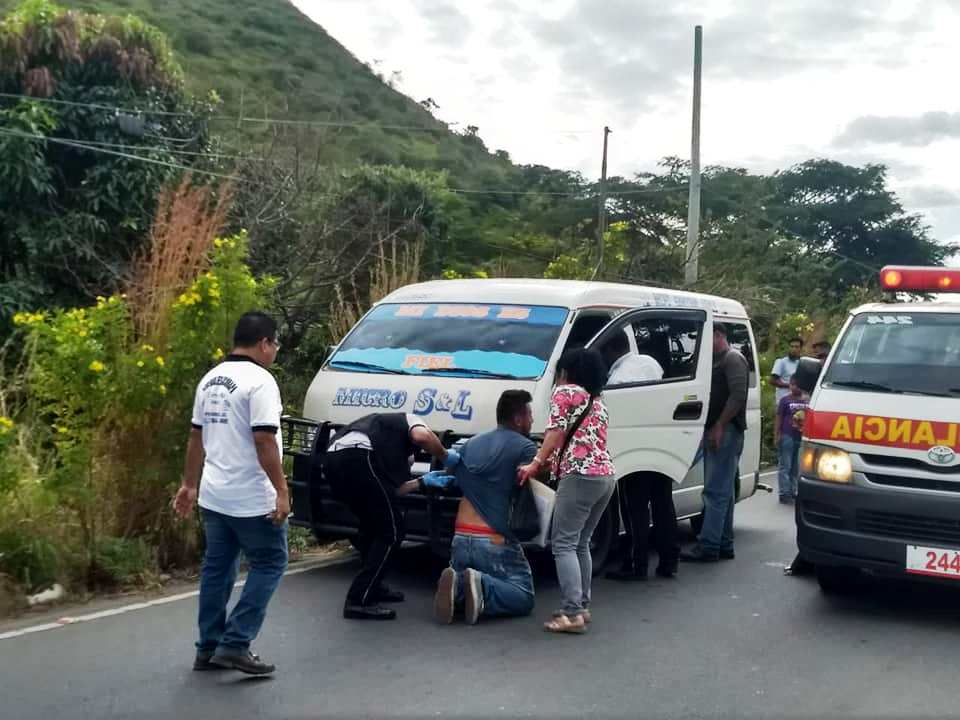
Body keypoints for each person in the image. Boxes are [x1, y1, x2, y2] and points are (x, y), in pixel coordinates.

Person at [173, 311, 289, 676]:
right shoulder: (261, 381)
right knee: (270, 562)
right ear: (264, 343)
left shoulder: (210, 380)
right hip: (251, 497)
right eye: (275, 343)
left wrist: (189, 485)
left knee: (217, 569)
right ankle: (236, 643)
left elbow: (196, 437)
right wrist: (282, 491)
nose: (276, 350)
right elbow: (264, 439)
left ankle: (207, 648)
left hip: (214, 495)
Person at [404, 390, 538, 625]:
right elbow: (538, 479)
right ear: (518, 418)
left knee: (464, 575)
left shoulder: (471, 443)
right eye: (529, 415)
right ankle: (482, 586)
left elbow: (451, 478)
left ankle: (459, 587)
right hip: (493, 540)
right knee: (523, 594)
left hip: (460, 537)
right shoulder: (525, 448)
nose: (532, 420)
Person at [321, 412, 458, 620]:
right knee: (392, 532)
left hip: (333, 460)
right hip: (357, 456)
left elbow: (391, 491)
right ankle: (359, 599)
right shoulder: (410, 420)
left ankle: (373, 587)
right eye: (409, 463)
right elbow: (423, 437)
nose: (409, 466)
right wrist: (446, 457)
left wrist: (422, 482)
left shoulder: (385, 449)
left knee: (371, 525)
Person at [518, 348, 616, 635]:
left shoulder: (566, 392)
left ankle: (571, 613)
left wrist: (535, 463)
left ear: (567, 371)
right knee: (581, 542)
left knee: (562, 544)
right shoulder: (598, 402)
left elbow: (555, 432)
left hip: (580, 476)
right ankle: (581, 606)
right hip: (605, 477)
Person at [600, 334, 677, 582]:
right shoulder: (649, 362)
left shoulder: (618, 378)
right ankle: (668, 561)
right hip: (662, 446)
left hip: (634, 450)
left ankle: (637, 564)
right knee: (663, 505)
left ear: (612, 349)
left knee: (635, 510)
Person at [680, 323, 749, 563]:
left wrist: (719, 426)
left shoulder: (732, 359)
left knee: (714, 491)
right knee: (724, 491)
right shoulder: (716, 360)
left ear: (718, 335)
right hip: (721, 429)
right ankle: (724, 543)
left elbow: (738, 396)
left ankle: (708, 545)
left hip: (727, 431)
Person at [774, 378, 808, 504]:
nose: (795, 387)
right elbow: (779, 417)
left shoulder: (807, 401)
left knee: (796, 467)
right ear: (790, 386)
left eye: (797, 385)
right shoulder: (785, 400)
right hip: (787, 435)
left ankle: (793, 490)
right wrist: (776, 434)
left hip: (801, 436)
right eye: (793, 384)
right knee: (785, 465)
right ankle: (784, 492)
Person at [769, 337, 803, 403]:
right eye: (791, 346)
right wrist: (790, 386)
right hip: (783, 401)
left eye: (796, 347)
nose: (793, 349)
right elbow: (772, 381)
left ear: (800, 349)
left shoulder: (801, 363)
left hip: (798, 401)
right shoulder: (781, 362)